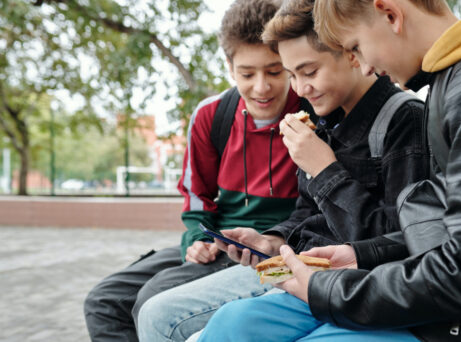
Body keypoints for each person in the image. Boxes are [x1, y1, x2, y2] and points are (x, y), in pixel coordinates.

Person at [198, 0, 461, 341]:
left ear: (390, 14)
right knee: (236, 326)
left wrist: (330, 290)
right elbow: (452, 229)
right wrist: (359, 256)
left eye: (355, 46)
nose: (364, 63)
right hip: (436, 297)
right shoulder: (457, 82)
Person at [136, 0, 430, 340]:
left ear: (352, 53)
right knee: (200, 319)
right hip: (303, 275)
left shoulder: (403, 120)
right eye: (292, 75)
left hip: (358, 288)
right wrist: (271, 241)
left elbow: (404, 240)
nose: (299, 90)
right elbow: (307, 217)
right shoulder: (322, 120)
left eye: (308, 72)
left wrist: (325, 170)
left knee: (168, 319)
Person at [83, 1, 303, 341]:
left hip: (271, 247)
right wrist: (199, 240)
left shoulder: (312, 112)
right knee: (104, 302)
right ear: (230, 67)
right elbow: (196, 197)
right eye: (247, 74)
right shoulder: (211, 115)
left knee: (151, 303)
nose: (262, 87)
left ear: (289, 64)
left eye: (274, 71)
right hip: (218, 242)